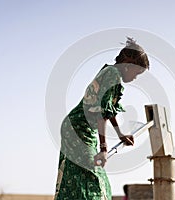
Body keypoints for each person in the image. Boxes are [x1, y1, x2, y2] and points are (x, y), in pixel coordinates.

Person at [54, 37, 150, 200]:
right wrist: (104, 149)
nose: (135, 78)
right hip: (78, 128)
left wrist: (121, 135)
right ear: (128, 65)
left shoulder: (111, 73)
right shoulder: (112, 74)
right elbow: (101, 112)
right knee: (95, 179)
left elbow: (108, 111)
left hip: (79, 128)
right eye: (136, 73)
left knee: (80, 178)